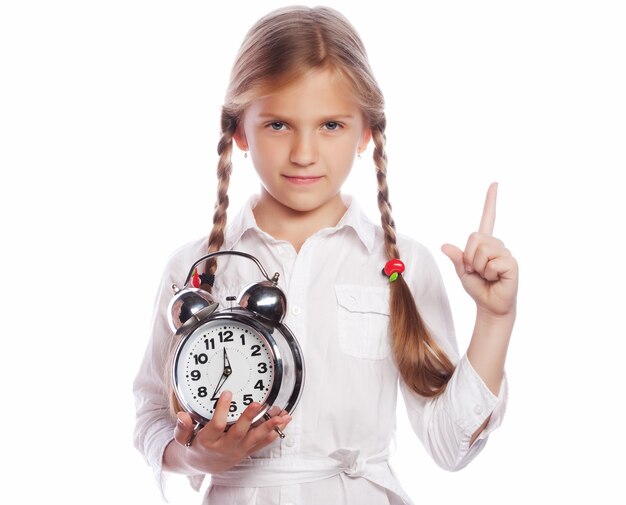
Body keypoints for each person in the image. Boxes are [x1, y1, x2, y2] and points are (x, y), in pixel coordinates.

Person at [133, 5, 518, 505]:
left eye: (331, 125)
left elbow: (449, 445)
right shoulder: (198, 270)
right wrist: (195, 458)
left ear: (366, 134)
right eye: (278, 125)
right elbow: (151, 413)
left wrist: (494, 317)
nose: (304, 153)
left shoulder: (401, 268)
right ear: (240, 131)